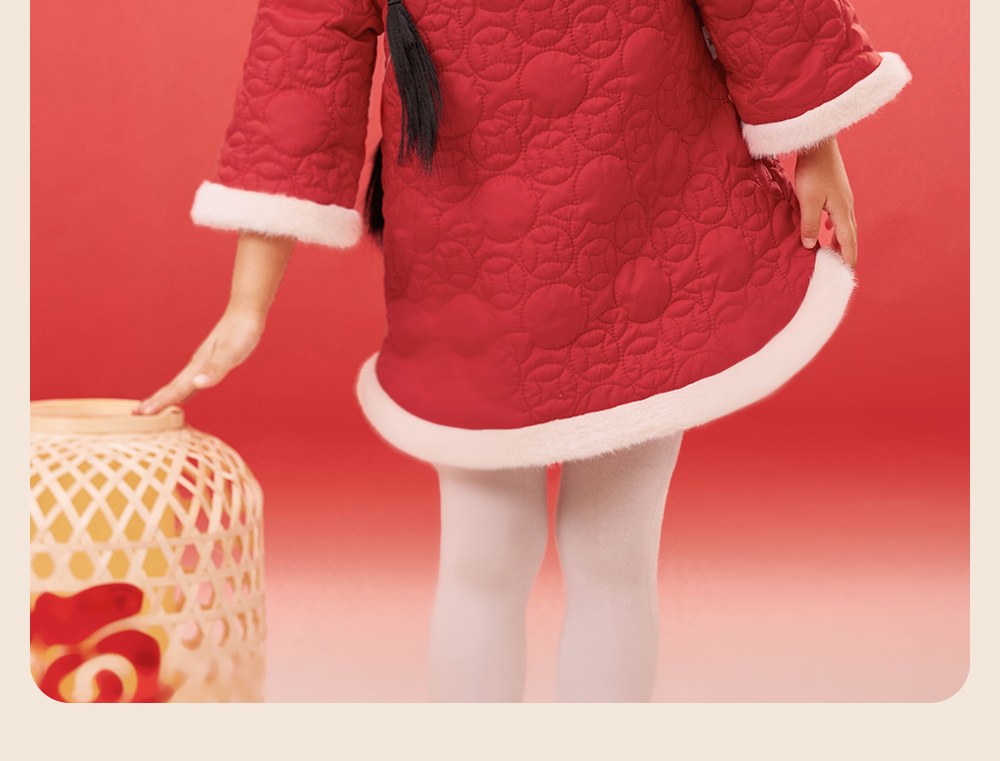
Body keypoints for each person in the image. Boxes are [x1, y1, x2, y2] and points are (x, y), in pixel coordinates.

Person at [133, 0, 912, 701]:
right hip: (498, 245)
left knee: (577, 554)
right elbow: (307, 50)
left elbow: (304, 50)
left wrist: (817, 141)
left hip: (639, 214)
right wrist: (246, 302)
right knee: (520, 554)